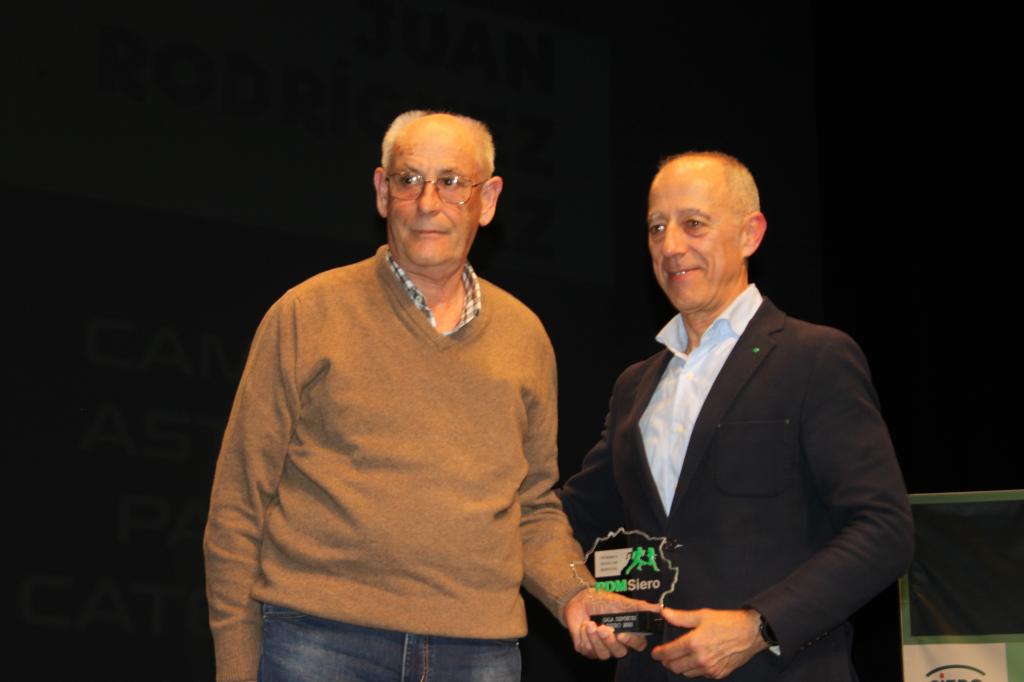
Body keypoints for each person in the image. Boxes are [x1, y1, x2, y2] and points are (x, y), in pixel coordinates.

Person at [203, 110, 646, 682]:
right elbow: (238, 507)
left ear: (488, 200)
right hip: (321, 640)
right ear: (382, 192)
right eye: (409, 179)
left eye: (451, 182)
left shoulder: (525, 336)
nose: (427, 202)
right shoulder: (307, 313)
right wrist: (237, 666)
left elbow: (531, 508)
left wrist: (574, 592)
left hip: (480, 652)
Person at [560, 151, 914, 680]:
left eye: (693, 223)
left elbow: (885, 531)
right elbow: (575, 521)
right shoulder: (634, 386)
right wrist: (578, 596)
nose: (670, 246)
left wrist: (759, 626)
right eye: (656, 227)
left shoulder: (814, 358)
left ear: (750, 234)